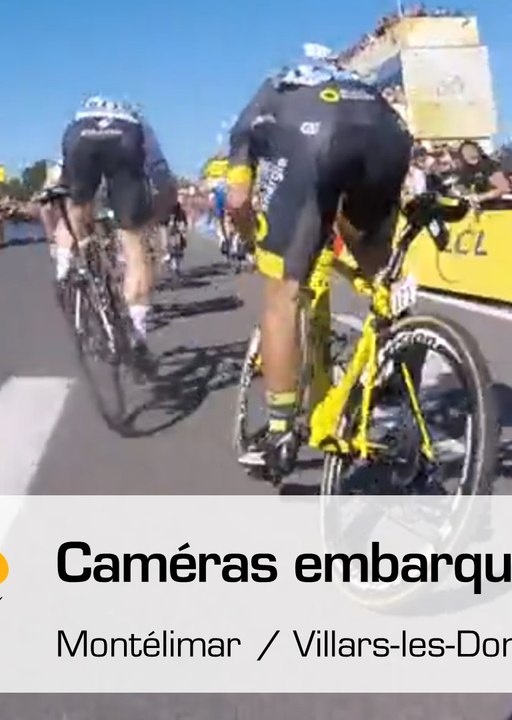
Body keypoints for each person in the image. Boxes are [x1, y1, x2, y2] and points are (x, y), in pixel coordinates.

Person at [224, 44, 413, 477]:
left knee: (283, 294)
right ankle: (395, 390)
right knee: (381, 278)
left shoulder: (271, 91)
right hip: (389, 134)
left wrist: (251, 232)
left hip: (313, 139)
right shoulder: (355, 82)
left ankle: (279, 432)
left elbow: (237, 199)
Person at [55, 96, 177, 368]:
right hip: (125, 142)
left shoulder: (78, 116)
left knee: (73, 207)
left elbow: (59, 174)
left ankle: (67, 268)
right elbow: (162, 177)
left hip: (79, 139)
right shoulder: (139, 123)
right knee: (135, 248)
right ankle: (138, 335)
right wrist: (154, 218)